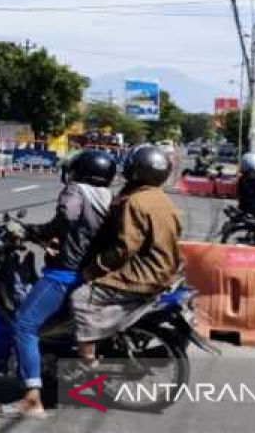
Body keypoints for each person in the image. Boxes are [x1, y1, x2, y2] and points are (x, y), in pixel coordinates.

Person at [0, 150, 116, 420]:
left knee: (23, 324)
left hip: (65, 273)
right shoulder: (106, 195)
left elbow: (67, 218)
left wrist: (38, 230)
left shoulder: (76, 190)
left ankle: (31, 399)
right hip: (86, 271)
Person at [70, 145, 183, 366]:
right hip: (163, 270)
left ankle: (87, 361)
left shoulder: (134, 201)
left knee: (80, 296)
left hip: (141, 276)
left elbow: (124, 247)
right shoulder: (161, 199)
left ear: (136, 171)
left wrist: (93, 270)